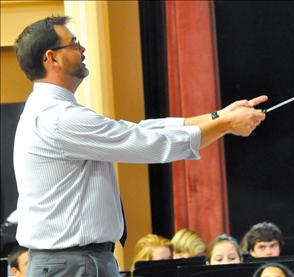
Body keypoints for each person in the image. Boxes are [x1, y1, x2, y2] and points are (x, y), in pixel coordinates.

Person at [13, 16, 267, 276]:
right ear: (51, 58)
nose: (83, 49)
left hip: (76, 261)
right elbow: (148, 144)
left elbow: (137, 130)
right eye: (74, 44)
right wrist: (225, 125)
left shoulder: (53, 112)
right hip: (74, 263)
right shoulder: (59, 118)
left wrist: (218, 117)